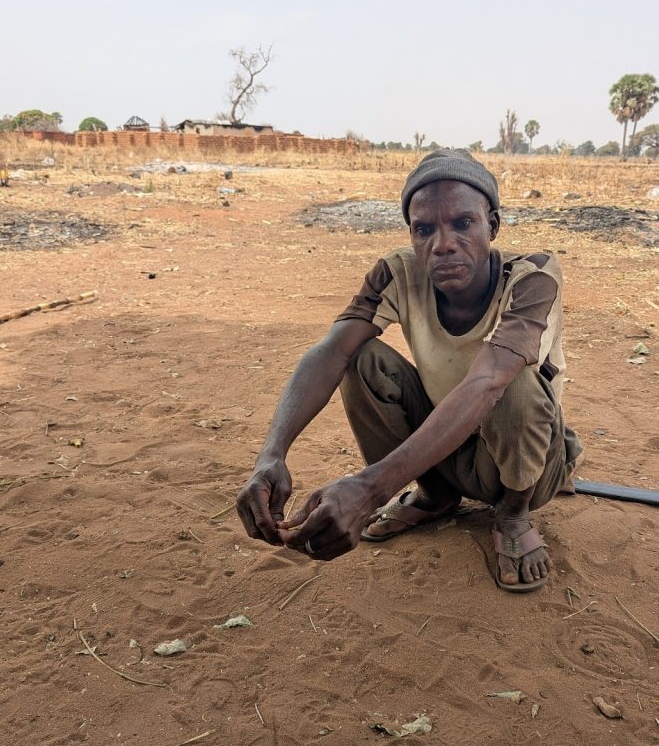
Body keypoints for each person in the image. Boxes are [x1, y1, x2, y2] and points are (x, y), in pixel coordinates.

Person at [235, 149, 582, 592]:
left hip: (527, 467)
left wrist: (369, 489)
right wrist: (272, 453)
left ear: (492, 225)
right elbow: (329, 353)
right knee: (362, 361)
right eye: (424, 229)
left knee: (510, 384)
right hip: (445, 446)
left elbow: (487, 381)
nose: (442, 244)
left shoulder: (532, 277)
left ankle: (513, 515)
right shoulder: (397, 271)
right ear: (412, 234)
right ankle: (436, 496)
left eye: (462, 223)